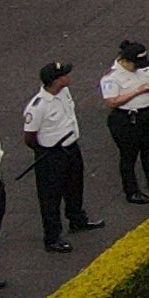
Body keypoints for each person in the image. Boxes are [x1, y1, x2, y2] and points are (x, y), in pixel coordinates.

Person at [21, 61, 97, 254]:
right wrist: (46, 151)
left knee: (75, 186)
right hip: (51, 154)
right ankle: (52, 237)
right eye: (64, 75)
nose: (68, 76)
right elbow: (29, 137)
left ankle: (77, 219)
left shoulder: (64, 92)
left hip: (71, 147)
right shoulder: (38, 106)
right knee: (50, 197)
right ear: (55, 81)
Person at [99, 43, 149, 204]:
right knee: (129, 155)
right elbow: (112, 102)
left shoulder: (142, 68)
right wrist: (138, 91)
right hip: (128, 119)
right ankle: (132, 191)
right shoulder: (111, 78)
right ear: (125, 61)